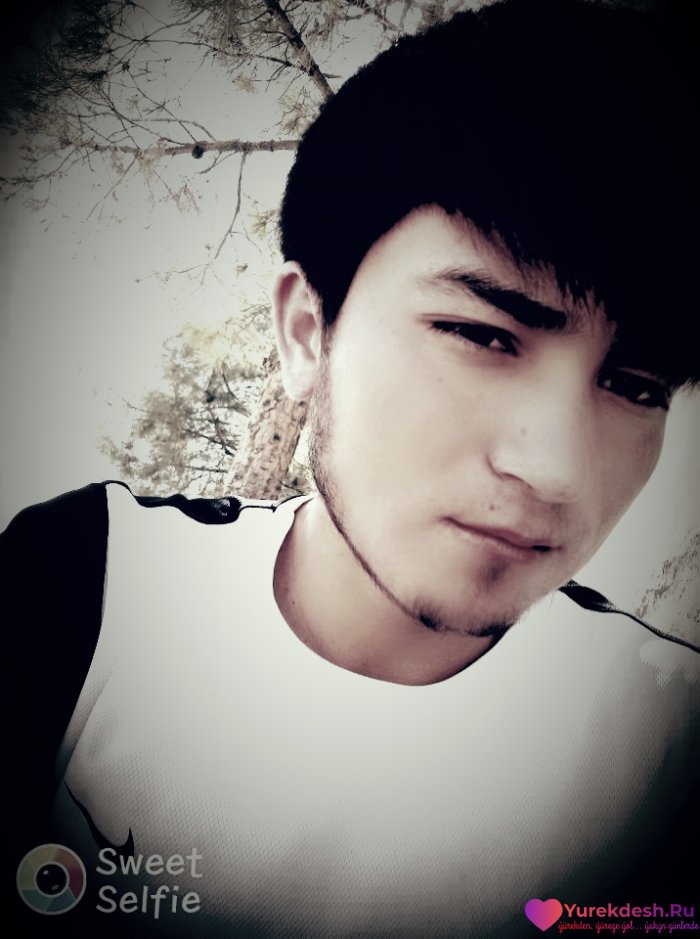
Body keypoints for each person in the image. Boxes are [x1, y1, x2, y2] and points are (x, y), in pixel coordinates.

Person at [5, 1, 698, 936]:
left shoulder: (672, 749)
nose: (557, 470)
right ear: (306, 332)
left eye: (637, 387)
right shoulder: (85, 585)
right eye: (482, 334)